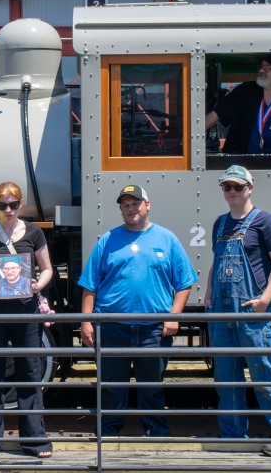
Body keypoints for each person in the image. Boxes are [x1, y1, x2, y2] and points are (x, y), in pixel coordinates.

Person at [78, 184, 197, 437]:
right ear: (121, 210)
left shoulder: (167, 239)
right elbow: (89, 285)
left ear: (147, 205)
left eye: (136, 204)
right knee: (111, 386)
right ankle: (107, 433)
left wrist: (174, 316)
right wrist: (86, 322)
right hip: (112, 326)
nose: (131, 209)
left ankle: (156, 433)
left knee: (152, 386)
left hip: (153, 328)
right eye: (126, 205)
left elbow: (185, 283)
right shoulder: (107, 240)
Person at [206, 165, 271, 457]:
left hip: (252, 312)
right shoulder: (220, 223)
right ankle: (233, 436)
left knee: (265, 374)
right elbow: (217, 261)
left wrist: (264, 300)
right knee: (226, 379)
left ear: (250, 188)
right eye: (227, 187)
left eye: (238, 186)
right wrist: (209, 291)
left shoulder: (265, 221)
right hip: (221, 313)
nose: (232, 191)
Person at [0, 182, 53, 459]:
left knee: (29, 370)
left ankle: (35, 440)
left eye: (13, 204)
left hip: (25, 310)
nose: (8, 209)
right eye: (2, 204)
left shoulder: (34, 232)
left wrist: (38, 285)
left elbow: (47, 268)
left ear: (21, 204)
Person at [206, 53, 271, 159]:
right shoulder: (244, 91)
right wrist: (192, 134)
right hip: (238, 163)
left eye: (267, 68)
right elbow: (215, 115)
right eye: (261, 67)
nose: (261, 70)